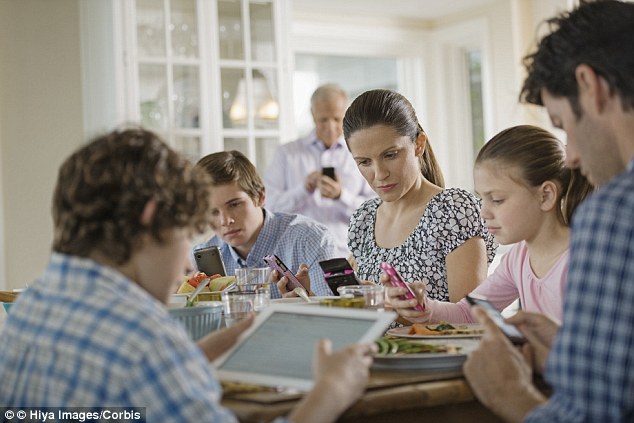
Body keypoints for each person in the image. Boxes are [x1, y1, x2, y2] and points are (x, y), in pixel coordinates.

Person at [0, 128, 376, 422]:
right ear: (153, 219)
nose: (187, 266)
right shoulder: (143, 340)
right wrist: (332, 390)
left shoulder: (32, 305)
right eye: (186, 230)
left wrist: (196, 353)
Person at [463, 1, 634, 421]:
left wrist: (509, 392)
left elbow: (592, 417)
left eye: (563, 125)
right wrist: (576, 352)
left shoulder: (613, 216)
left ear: (589, 86)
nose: (571, 157)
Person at [385, 125, 592, 324]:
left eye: (497, 200)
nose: (484, 213)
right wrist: (424, 307)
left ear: (545, 195)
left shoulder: (583, 261)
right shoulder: (519, 258)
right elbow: (470, 314)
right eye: (482, 199)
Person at [342, 89, 497, 305]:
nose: (379, 174)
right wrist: (309, 298)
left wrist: (385, 305)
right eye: (364, 162)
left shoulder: (453, 211)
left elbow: (469, 319)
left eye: (390, 155)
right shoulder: (364, 219)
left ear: (419, 144)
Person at [193, 150, 335, 298]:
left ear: (260, 196)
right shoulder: (202, 258)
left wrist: (305, 305)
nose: (225, 221)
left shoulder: (310, 241)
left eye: (234, 205)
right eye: (213, 212)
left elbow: (333, 315)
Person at [264, 83, 375, 257]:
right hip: (297, 255)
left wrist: (341, 196)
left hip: (347, 255)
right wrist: (303, 190)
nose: (330, 127)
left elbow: (376, 211)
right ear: (313, 114)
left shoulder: (360, 154)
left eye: (337, 119)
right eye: (324, 119)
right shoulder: (287, 154)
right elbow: (269, 207)